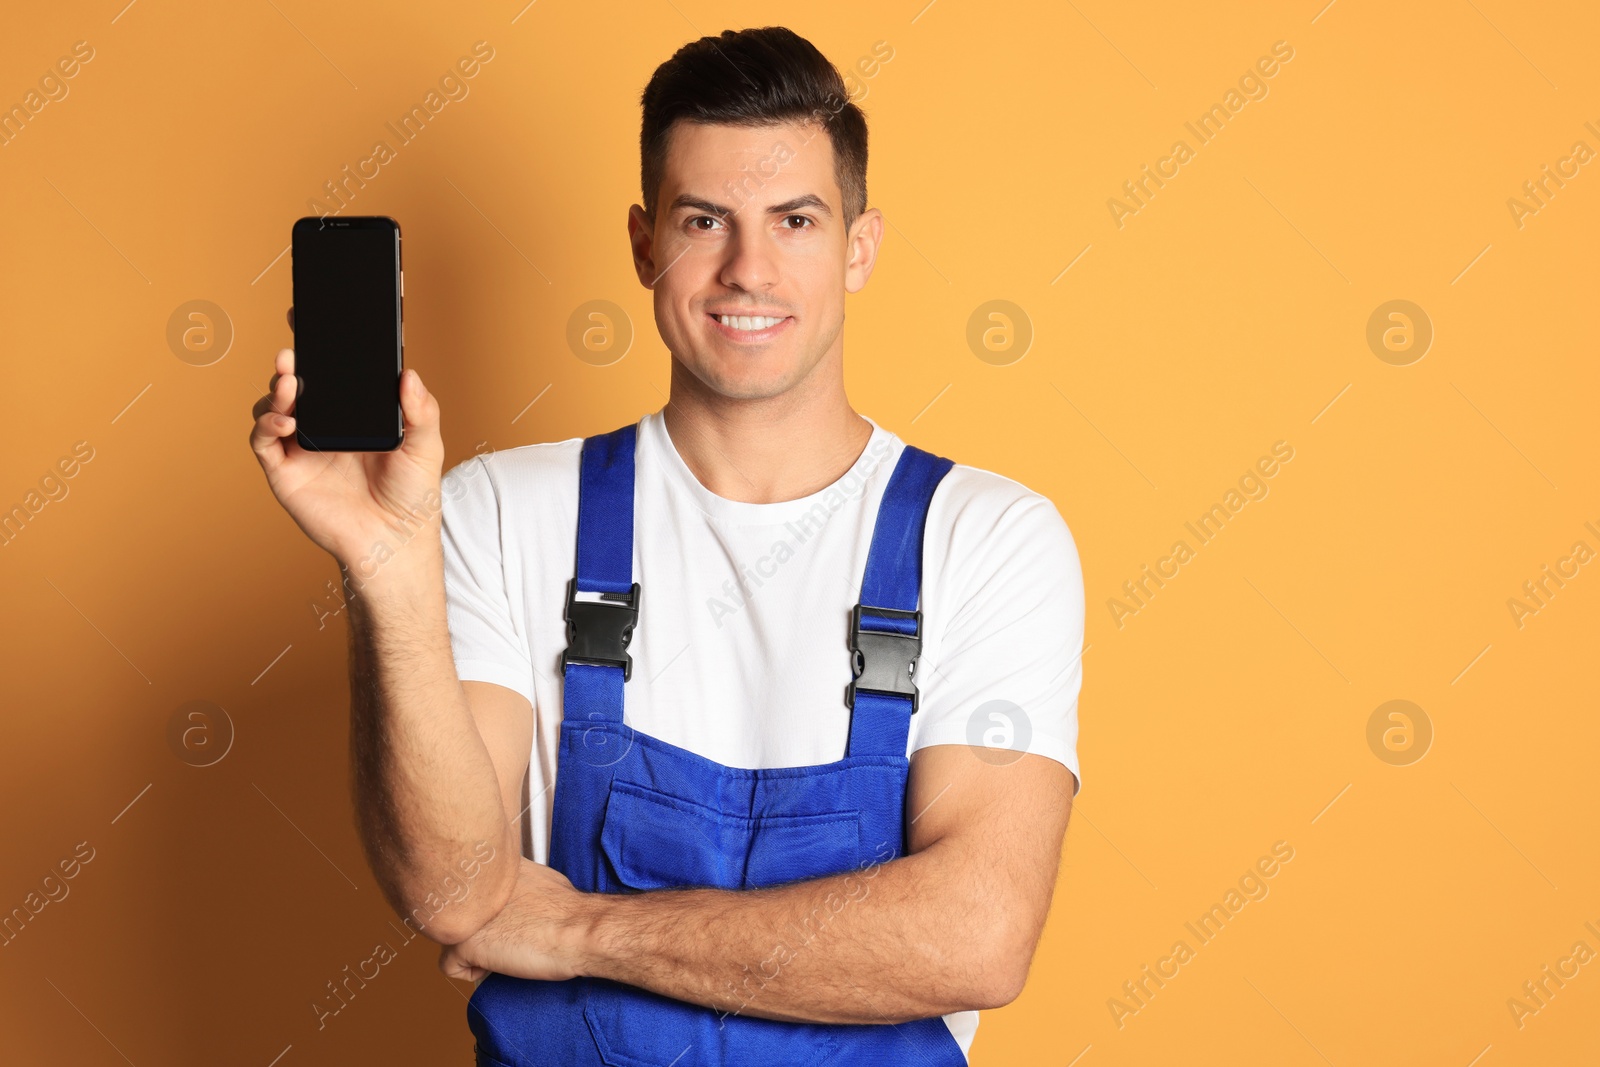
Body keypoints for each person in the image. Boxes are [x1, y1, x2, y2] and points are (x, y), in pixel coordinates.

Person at [249, 25, 1084, 1066]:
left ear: (859, 246)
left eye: (794, 219)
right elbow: (451, 886)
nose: (748, 269)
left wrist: (579, 928)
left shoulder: (986, 537)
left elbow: (975, 933)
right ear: (645, 242)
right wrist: (386, 566)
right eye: (704, 220)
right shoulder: (500, 511)